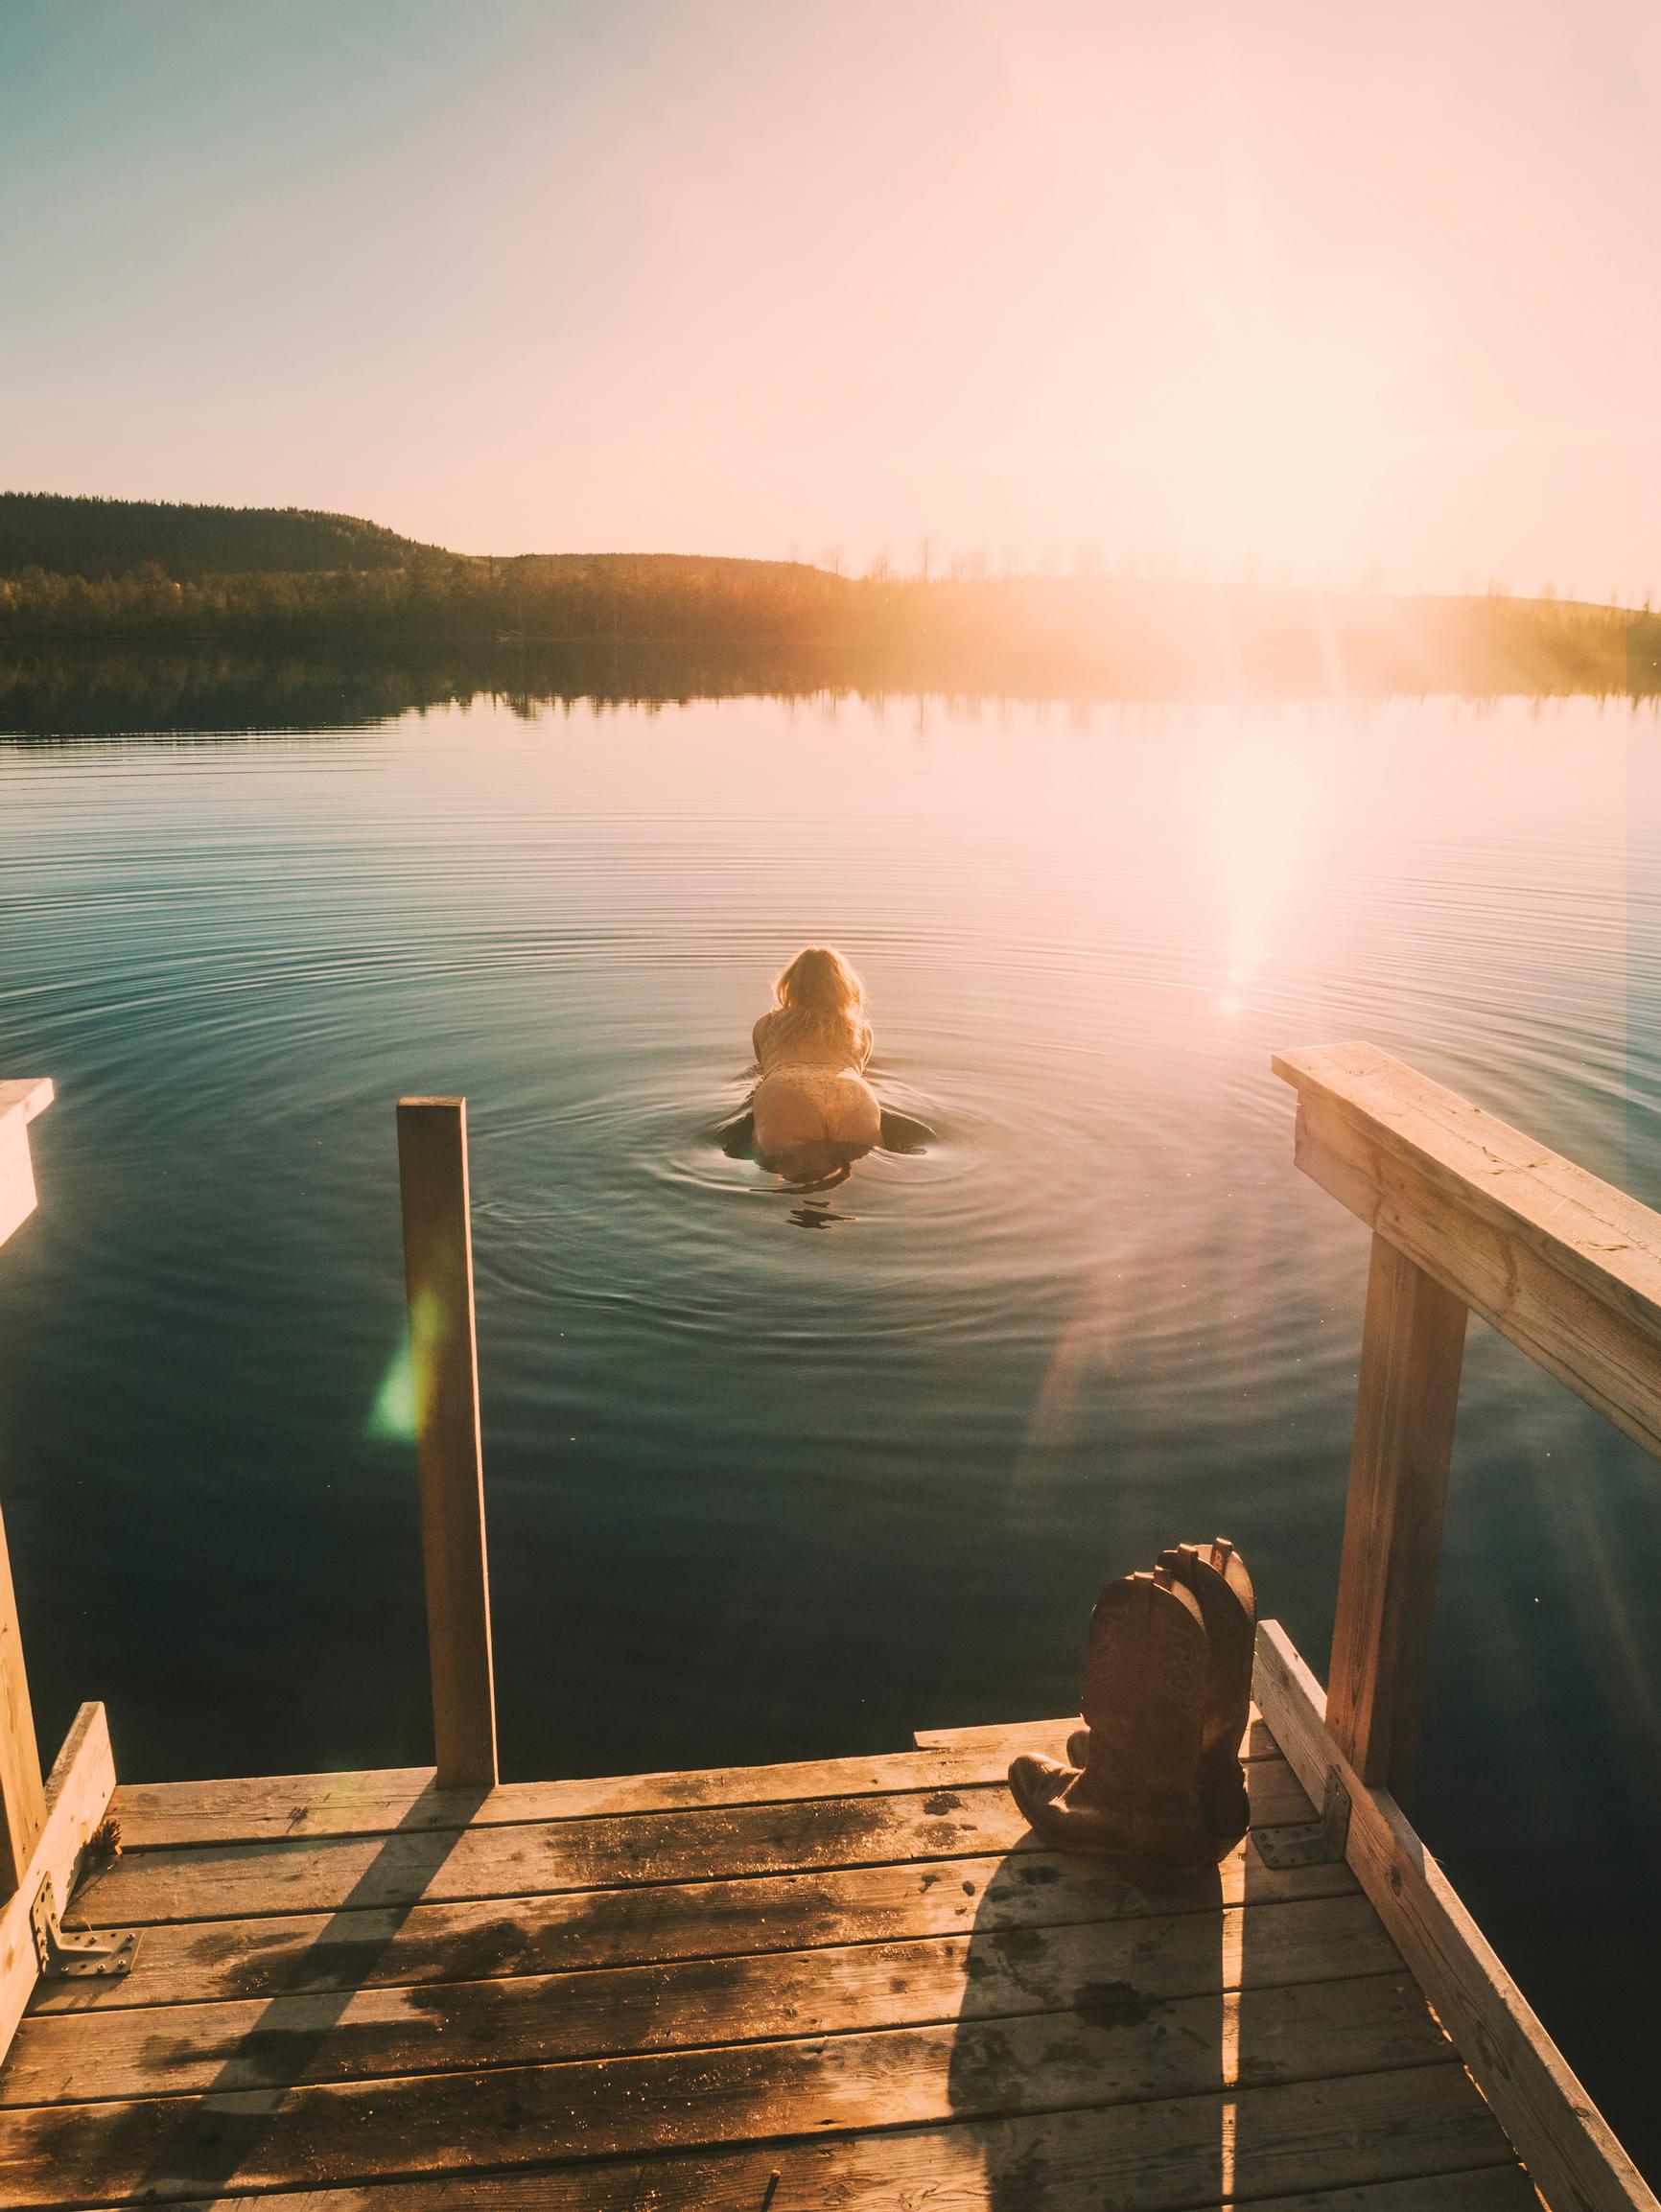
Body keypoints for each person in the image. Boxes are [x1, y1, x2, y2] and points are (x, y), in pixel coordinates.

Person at [748, 945, 883, 1181]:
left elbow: (763, 1068)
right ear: (845, 986)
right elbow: (861, 1069)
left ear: (790, 983)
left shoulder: (766, 1025)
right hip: (850, 1091)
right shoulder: (860, 1030)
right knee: (861, 1173)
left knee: (786, 1173)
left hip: (786, 1089)